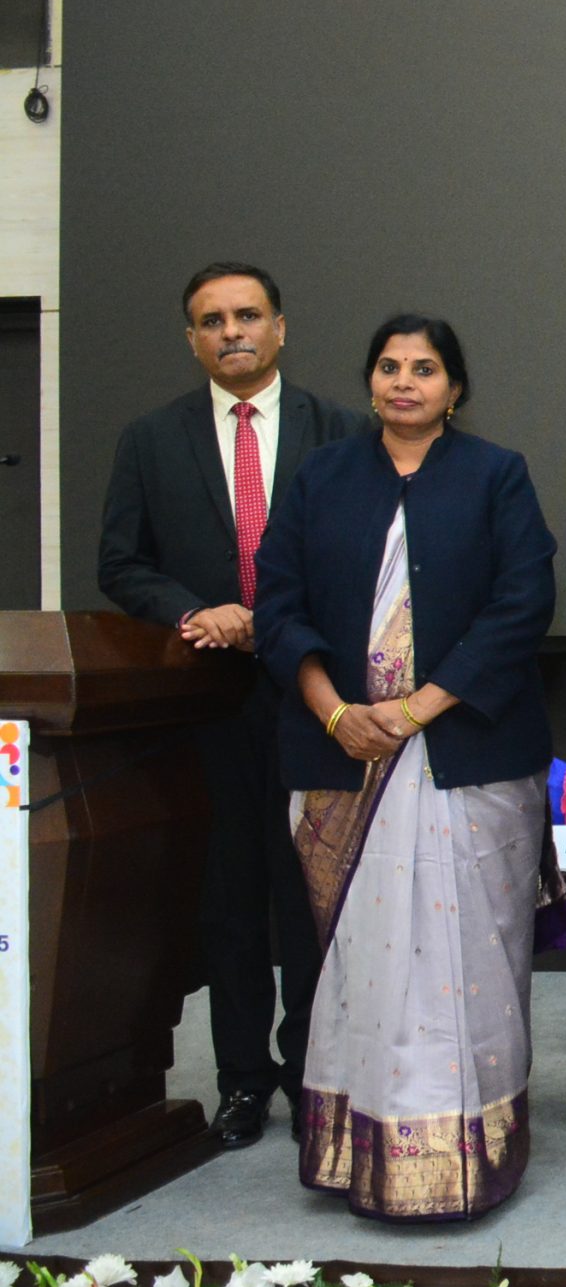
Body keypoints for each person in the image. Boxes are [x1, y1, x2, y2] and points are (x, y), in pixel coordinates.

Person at [252, 315, 556, 1219]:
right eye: (388, 366)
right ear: (370, 380)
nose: (404, 382)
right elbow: (278, 605)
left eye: (424, 368)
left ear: (454, 388)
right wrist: (336, 712)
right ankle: (361, 1147)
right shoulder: (322, 478)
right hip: (341, 754)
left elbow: (523, 602)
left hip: (466, 755)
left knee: (469, 959)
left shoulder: (495, 474)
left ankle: (468, 1153)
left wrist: (418, 709)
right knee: (365, 964)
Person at [97, 262, 365, 1151]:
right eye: (211, 321)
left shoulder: (341, 432)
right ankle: (243, 1080)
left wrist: (286, 621)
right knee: (231, 896)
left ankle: (316, 1072)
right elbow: (120, 562)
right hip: (209, 701)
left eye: (247, 315)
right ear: (192, 339)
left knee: (313, 894)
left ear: (280, 327)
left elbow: (368, 557)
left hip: (314, 694)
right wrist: (193, 610)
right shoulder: (150, 439)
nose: (231, 332)